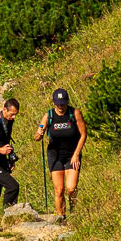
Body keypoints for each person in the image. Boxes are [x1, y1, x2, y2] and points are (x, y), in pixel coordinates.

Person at [34, 88, 87, 220]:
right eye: (58, 104)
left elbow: (83, 134)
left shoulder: (74, 113)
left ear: (67, 101)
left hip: (71, 154)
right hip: (55, 155)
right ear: (54, 103)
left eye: (63, 103)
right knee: (59, 190)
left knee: (71, 188)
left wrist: (76, 154)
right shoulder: (49, 116)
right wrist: (39, 134)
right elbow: (37, 135)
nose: (61, 106)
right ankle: (61, 217)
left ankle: (74, 213)